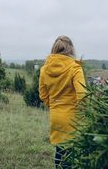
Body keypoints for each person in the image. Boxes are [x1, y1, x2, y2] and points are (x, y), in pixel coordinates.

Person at [39, 35, 86, 168]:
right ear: (71, 50)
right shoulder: (75, 68)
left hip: (56, 117)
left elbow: (43, 95)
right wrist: (85, 113)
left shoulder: (44, 69)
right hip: (73, 118)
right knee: (73, 157)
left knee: (60, 152)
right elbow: (82, 95)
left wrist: (54, 106)